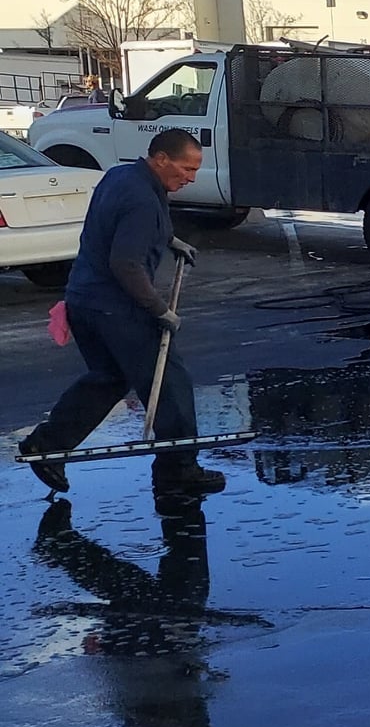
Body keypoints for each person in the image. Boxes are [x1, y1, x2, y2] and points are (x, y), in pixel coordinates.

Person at [18, 129, 222, 497]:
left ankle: (46, 445)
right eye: (186, 168)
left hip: (83, 300)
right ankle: (179, 470)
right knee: (171, 384)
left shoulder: (120, 175)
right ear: (161, 158)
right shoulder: (142, 196)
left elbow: (114, 225)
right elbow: (125, 263)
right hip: (117, 309)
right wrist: (160, 311)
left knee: (109, 377)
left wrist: (169, 240)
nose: (190, 178)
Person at [34, 497, 257, 727]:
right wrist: (199, 671)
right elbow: (179, 714)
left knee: (139, 593)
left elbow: (152, 722)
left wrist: (114, 665)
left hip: (147, 659)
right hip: (157, 659)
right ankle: (181, 508)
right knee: (184, 588)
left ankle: (60, 546)